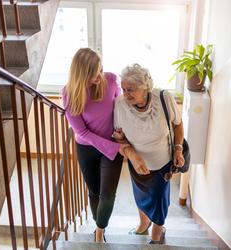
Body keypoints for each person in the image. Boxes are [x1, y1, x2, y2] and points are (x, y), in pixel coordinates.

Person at [62, 48, 141, 243]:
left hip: (113, 146)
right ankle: (100, 226)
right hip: (87, 148)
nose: (100, 75)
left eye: (100, 69)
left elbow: (123, 109)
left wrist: (123, 137)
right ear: (82, 74)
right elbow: (82, 132)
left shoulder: (111, 80)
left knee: (108, 195)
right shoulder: (69, 93)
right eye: (94, 72)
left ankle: (99, 232)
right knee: (94, 192)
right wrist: (115, 148)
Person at [113, 63, 185, 244]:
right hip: (136, 163)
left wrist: (178, 148)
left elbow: (177, 124)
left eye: (131, 89)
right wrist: (131, 154)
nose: (125, 93)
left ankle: (157, 232)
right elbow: (119, 137)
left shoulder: (163, 98)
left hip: (162, 162)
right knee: (141, 195)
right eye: (123, 89)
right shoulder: (120, 104)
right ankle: (144, 223)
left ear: (145, 88)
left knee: (159, 198)